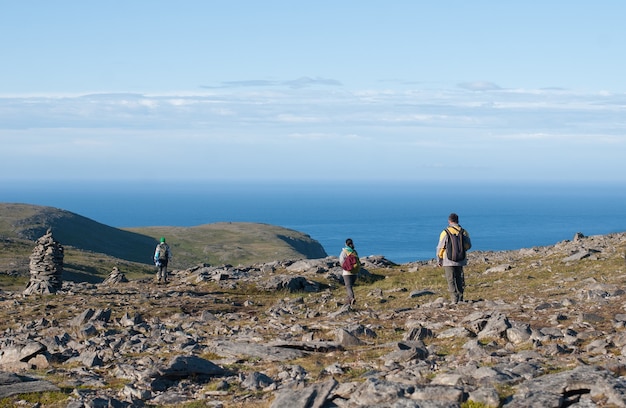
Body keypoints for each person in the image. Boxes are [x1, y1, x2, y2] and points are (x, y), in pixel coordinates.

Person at [436, 213, 471, 303]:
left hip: (448, 260)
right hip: (461, 259)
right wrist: (461, 251)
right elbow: (468, 245)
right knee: (459, 278)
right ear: (458, 220)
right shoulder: (463, 231)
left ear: (449, 221)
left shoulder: (445, 232)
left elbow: (441, 247)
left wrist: (439, 259)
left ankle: (454, 299)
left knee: (450, 278)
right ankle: (460, 297)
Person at [339, 238, 361, 306]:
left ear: (346, 244)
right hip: (355, 272)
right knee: (350, 286)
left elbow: (341, 261)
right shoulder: (354, 252)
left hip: (347, 272)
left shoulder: (344, 252)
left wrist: (345, 267)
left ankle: (351, 298)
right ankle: (348, 303)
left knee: (348, 286)